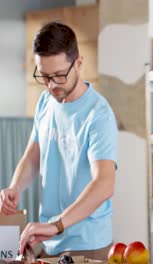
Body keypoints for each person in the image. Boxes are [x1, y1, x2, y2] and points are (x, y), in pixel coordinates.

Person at [0, 22, 118, 260]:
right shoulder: (46, 102)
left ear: (79, 63)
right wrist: (14, 187)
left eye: (59, 75)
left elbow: (105, 184)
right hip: (49, 239)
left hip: (86, 241)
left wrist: (56, 225)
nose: (52, 85)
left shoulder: (99, 115)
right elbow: (33, 156)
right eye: (44, 76)